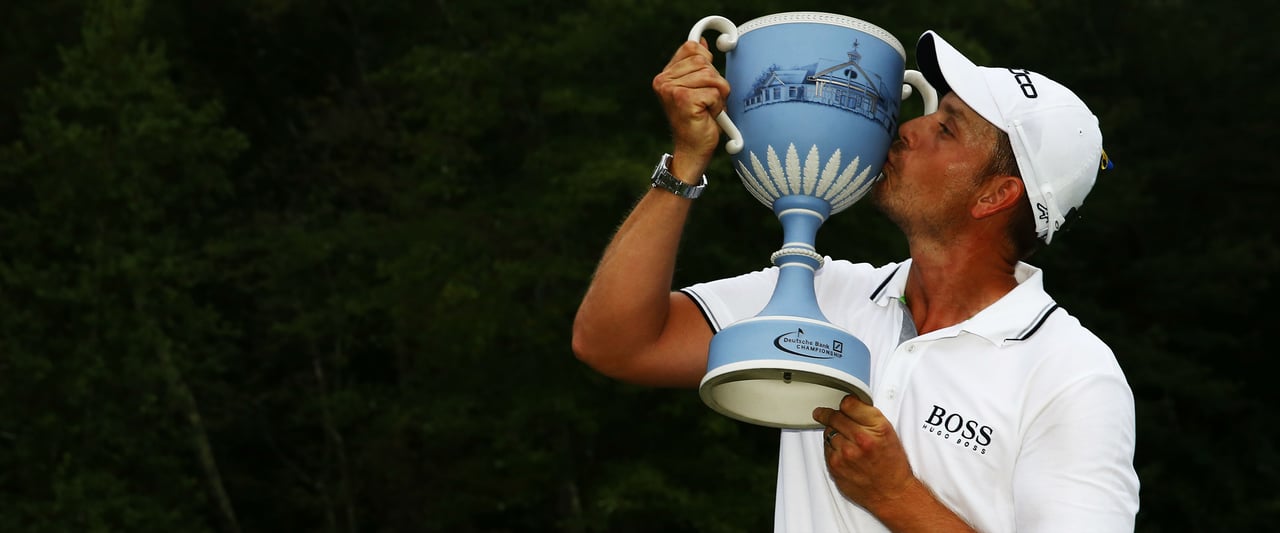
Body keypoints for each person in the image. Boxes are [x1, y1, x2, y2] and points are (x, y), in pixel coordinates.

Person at [572, 28, 1140, 532]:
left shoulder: (1073, 375)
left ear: (996, 196)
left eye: (947, 129)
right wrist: (685, 162)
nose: (909, 127)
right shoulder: (827, 291)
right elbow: (615, 343)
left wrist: (896, 497)